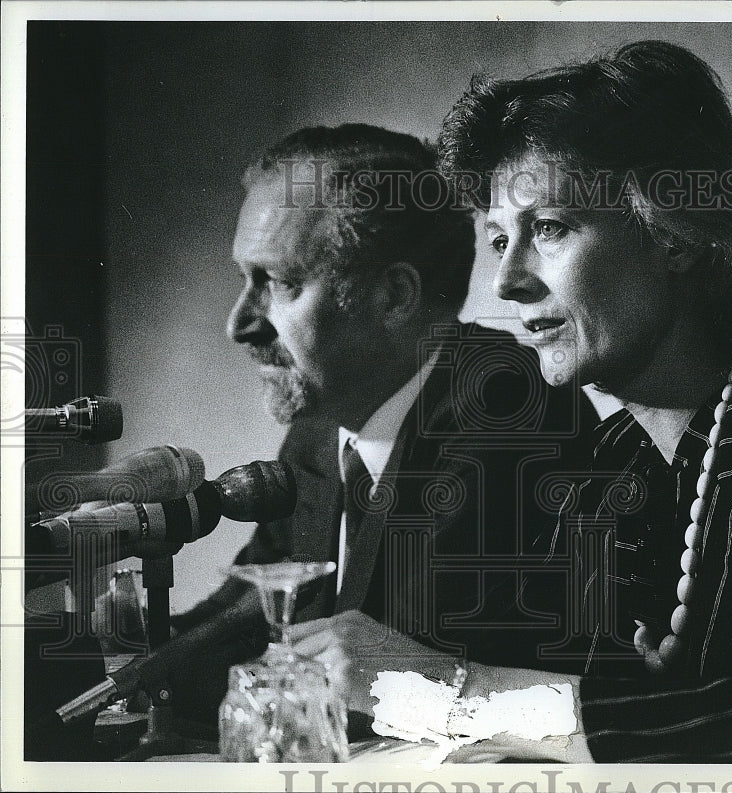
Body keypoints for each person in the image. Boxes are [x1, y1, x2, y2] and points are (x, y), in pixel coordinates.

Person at [295, 42, 732, 764]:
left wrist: (455, 695)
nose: (505, 280)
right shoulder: (603, 465)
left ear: (675, 234)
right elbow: (544, 697)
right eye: (498, 239)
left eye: (549, 228)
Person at [165, 124, 598, 726]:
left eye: (278, 282)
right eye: (247, 279)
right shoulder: (320, 433)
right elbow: (250, 617)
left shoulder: (510, 414)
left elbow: (400, 675)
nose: (240, 324)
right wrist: (142, 649)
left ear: (394, 295)